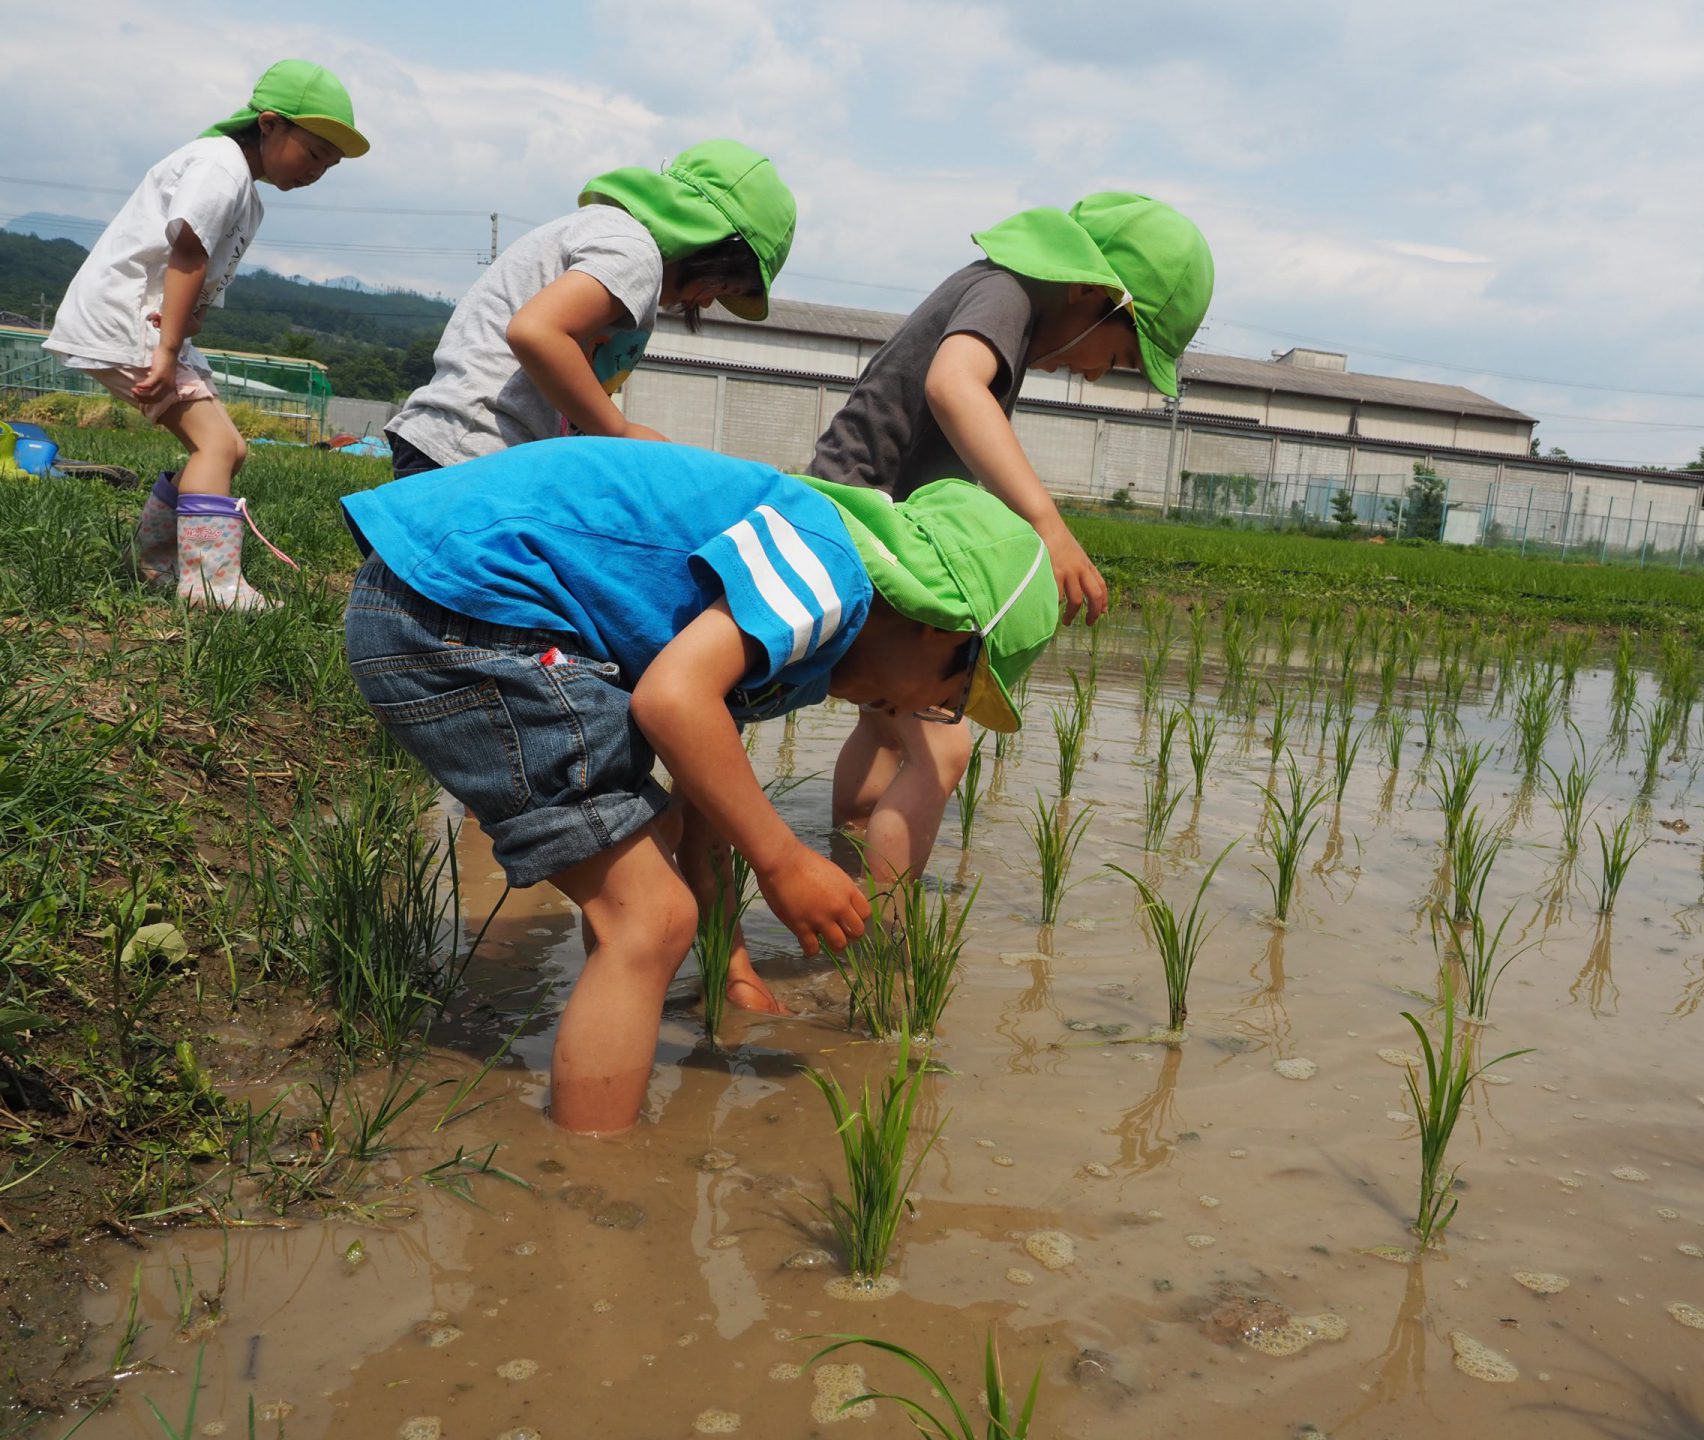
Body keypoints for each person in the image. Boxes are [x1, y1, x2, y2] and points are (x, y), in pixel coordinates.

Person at [339, 438, 1059, 1134]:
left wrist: (730, 965)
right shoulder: (830, 575)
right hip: (467, 610)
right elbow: (671, 700)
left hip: (443, 599)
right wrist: (784, 861)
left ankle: (604, 1075)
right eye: (950, 699)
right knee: (648, 919)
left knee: (648, 862)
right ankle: (592, 1174)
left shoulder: (796, 640)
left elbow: (705, 816)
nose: (922, 713)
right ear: (942, 628)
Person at [809, 192, 1214, 888]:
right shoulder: (1007, 294)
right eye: (1118, 353)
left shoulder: (1005, 303)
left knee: (884, 728)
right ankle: (886, 936)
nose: (1096, 373)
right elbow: (952, 386)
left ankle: (848, 866)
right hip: (870, 529)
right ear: (1089, 290)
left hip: (863, 523)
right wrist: (1046, 524)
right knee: (943, 752)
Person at [43, 60, 369, 610]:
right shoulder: (219, 166)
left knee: (230, 449)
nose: (317, 170)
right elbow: (188, 252)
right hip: (127, 322)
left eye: (329, 165)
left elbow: (201, 276)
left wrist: (189, 324)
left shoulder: (246, 191)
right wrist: (167, 351)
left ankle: (153, 563)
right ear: (269, 124)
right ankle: (209, 583)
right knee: (214, 445)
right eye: (314, 153)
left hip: (152, 327)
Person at [384, 140, 795, 477]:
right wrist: (620, 430)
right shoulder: (635, 253)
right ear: (712, 246)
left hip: (463, 452)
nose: (706, 301)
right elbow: (536, 332)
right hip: (470, 453)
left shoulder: (615, 240)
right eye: (722, 284)